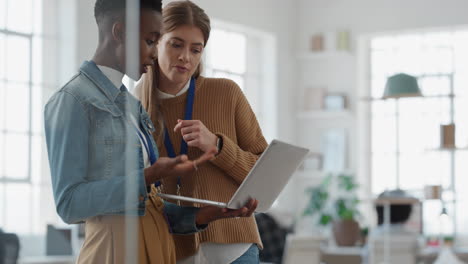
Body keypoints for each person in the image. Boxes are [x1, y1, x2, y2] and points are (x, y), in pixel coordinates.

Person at [44, 0, 258, 263]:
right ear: (120, 33)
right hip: (118, 251)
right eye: (152, 41)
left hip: (158, 248)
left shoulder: (130, 107)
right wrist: (148, 175)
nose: (155, 53)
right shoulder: (74, 100)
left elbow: (150, 203)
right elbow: (69, 204)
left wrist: (200, 215)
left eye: (196, 49)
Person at [136, 1, 268, 263]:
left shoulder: (226, 93)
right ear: (156, 42)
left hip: (236, 250)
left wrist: (218, 146)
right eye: (176, 44)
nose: (186, 57)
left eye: (196, 50)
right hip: (171, 251)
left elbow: (264, 175)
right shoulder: (134, 103)